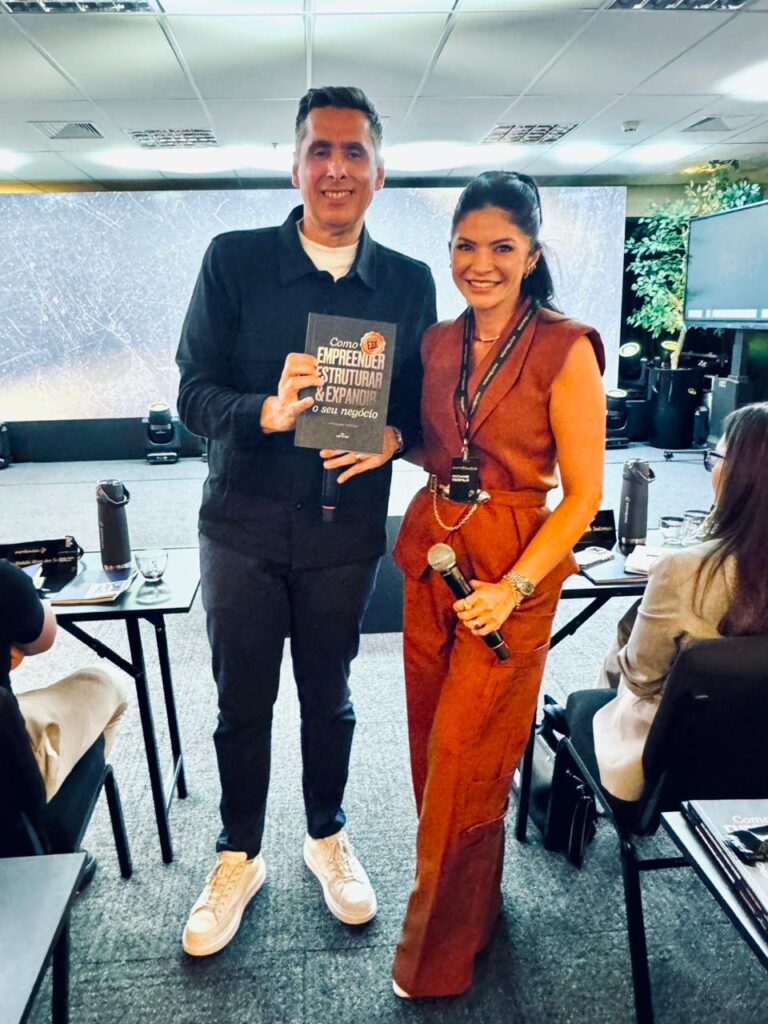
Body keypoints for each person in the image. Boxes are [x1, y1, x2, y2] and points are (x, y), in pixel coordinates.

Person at [176, 86, 437, 957]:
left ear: (379, 172)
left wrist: (394, 436)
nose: (336, 168)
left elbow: (422, 411)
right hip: (241, 529)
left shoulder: (407, 282)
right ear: (295, 167)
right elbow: (191, 397)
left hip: (344, 532)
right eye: (319, 150)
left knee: (330, 698)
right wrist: (264, 412)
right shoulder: (234, 261)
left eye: (354, 151)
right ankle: (238, 854)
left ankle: (326, 835)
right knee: (240, 703)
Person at [391, 170, 606, 997]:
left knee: (466, 757)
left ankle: (434, 958)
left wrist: (513, 587)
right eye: (466, 246)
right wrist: (389, 441)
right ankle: (472, 906)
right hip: (432, 551)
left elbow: (583, 496)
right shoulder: (438, 343)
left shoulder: (566, 346)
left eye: (502, 248)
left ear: (532, 255)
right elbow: (438, 446)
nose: (481, 264)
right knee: (430, 751)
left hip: (510, 570)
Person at [565, 401, 768, 804]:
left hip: (676, 764)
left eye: (716, 458)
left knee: (602, 685)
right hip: (758, 760)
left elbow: (641, 678)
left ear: (739, 474)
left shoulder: (683, 571)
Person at [0, 558, 128, 872]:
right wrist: (28, 592)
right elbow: (43, 637)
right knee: (108, 684)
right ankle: (53, 848)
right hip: (11, 778)